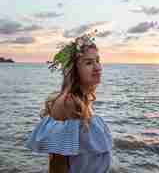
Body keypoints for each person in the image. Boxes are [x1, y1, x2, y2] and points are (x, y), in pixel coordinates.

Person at [26, 30, 113, 173]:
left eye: (97, 60)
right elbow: (57, 163)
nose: (98, 67)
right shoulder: (68, 103)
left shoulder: (82, 99)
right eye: (88, 63)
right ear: (74, 70)